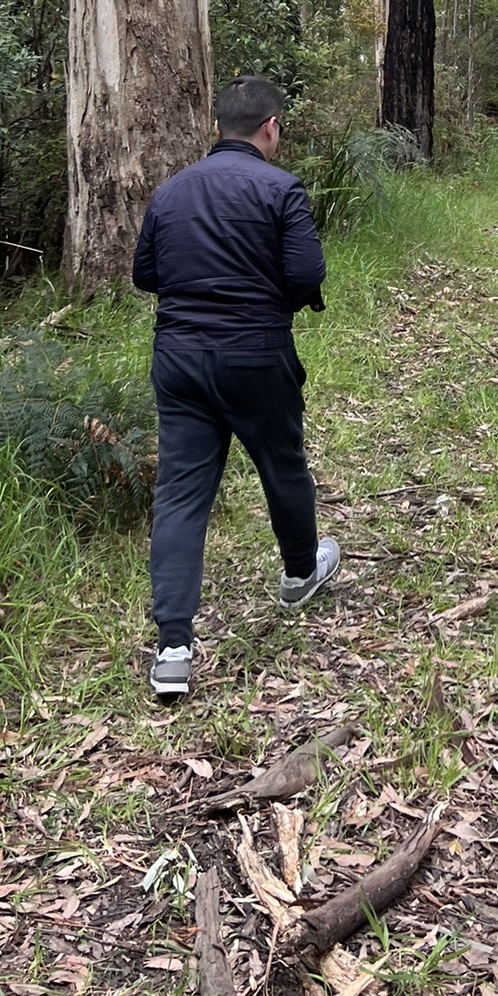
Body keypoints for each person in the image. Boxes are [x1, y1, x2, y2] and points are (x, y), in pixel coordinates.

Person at [132, 76, 338, 700]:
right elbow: (306, 273)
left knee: (181, 493)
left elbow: (146, 275)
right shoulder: (280, 188)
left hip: (180, 361)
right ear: (270, 127)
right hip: (256, 356)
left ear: (218, 127)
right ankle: (301, 572)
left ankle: (172, 647)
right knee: (281, 464)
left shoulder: (170, 192)